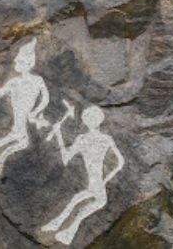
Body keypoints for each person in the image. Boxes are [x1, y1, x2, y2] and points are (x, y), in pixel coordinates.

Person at [42, 105, 125, 245]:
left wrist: (59, 136)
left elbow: (65, 157)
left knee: (78, 205)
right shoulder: (103, 138)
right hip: (96, 186)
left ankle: (62, 228)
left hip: (98, 189)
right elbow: (120, 162)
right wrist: (106, 179)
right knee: (77, 202)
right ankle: (60, 228)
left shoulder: (86, 139)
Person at [0, 39, 50, 177]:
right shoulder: (36, 80)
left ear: (26, 63)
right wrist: (35, 111)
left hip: (20, 127)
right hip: (21, 126)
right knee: (12, 144)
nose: (14, 62)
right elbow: (45, 98)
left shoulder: (16, 82)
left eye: (18, 59)